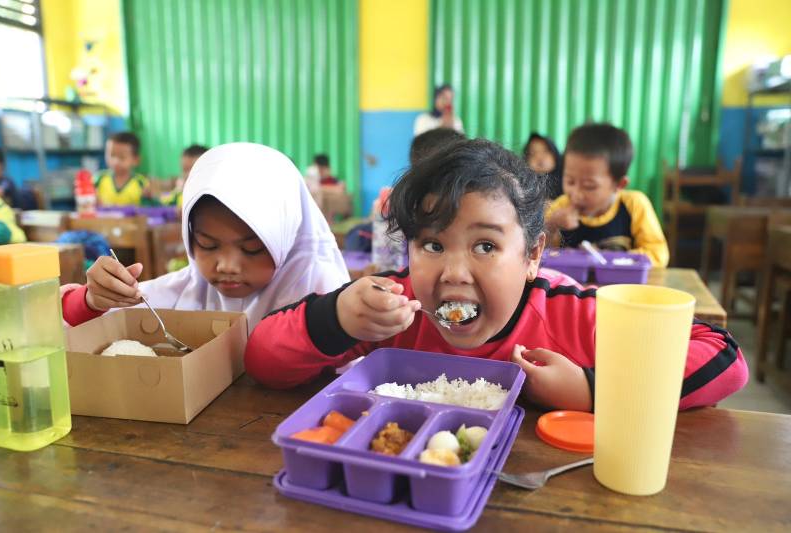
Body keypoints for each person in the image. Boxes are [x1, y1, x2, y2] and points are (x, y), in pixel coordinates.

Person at [243, 139, 747, 412]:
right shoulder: (391, 307)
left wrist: (593, 390)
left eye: (485, 246)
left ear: (532, 255)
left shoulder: (567, 314)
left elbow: (723, 357)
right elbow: (263, 359)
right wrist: (337, 318)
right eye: (432, 244)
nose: (454, 272)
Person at [60, 143, 350, 333]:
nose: (226, 265)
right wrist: (92, 299)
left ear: (286, 239)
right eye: (207, 244)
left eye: (251, 248)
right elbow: (68, 320)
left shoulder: (321, 295)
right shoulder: (187, 291)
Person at [545, 124, 669, 267]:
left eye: (589, 186)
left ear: (619, 184)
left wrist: (609, 259)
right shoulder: (561, 206)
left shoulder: (634, 204)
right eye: (570, 181)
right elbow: (537, 254)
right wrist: (551, 225)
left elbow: (657, 255)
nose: (576, 194)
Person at [94, 132, 151, 206]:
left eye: (122, 157)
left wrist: (148, 198)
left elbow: (147, 207)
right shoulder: (98, 179)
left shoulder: (141, 183)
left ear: (136, 160)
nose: (115, 161)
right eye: (112, 155)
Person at [522, 133, 562, 200]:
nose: (539, 157)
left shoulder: (567, 182)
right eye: (533, 153)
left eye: (545, 151)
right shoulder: (523, 187)